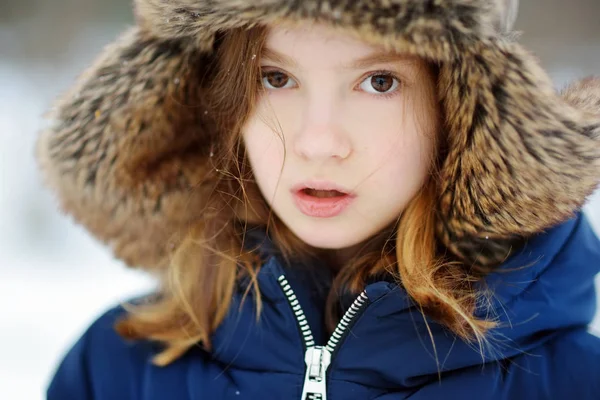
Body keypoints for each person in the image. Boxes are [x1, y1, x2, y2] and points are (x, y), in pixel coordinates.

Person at [37, 0, 600, 398]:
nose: (318, 142)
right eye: (276, 78)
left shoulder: (573, 383)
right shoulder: (117, 368)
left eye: (379, 81)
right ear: (223, 100)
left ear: (456, 106)